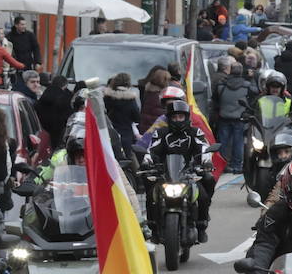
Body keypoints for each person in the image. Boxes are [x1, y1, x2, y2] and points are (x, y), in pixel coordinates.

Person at [146, 101, 216, 243]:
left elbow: (203, 147)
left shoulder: (195, 132)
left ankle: (201, 225)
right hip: (166, 174)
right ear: (169, 118)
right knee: (150, 194)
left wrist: (205, 161)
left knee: (206, 187)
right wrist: (147, 162)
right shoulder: (161, 133)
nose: (178, 120)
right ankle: (153, 227)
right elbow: (152, 149)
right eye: (174, 117)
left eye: (180, 117)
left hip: (190, 173)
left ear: (186, 117)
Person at [211, 56, 251, 173]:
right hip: (239, 117)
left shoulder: (221, 85)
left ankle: (222, 164)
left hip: (224, 116)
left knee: (223, 141)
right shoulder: (246, 86)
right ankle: (237, 165)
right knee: (238, 142)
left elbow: (215, 100)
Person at [105, 73, 142, 149]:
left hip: (109, 135)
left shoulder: (107, 97)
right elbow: (137, 118)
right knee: (129, 158)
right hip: (126, 136)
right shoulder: (130, 100)